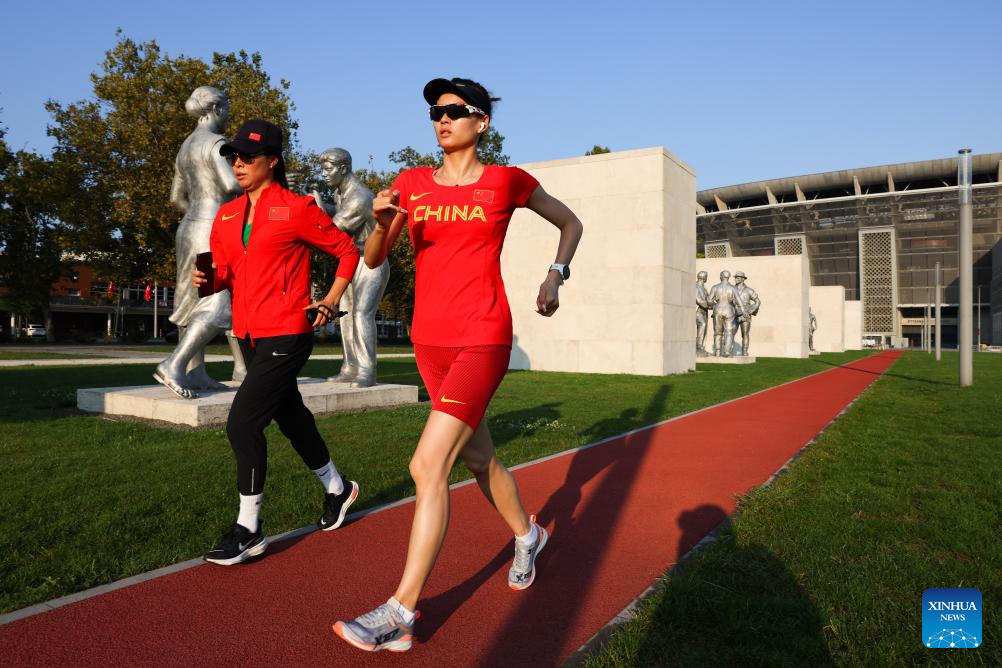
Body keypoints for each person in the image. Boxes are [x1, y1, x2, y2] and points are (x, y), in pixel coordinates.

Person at [333, 78, 584, 653]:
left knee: (427, 465)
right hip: (429, 342)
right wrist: (380, 220)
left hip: (482, 337)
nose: (441, 119)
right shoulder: (410, 184)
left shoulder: (507, 181)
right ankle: (529, 535)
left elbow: (570, 222)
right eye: (434, 112)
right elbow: (373, 257)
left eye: (453, 110)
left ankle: (400, 613)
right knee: (477, 457)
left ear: (482, 122)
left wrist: (555, 275)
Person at [192, 119, 362, 566]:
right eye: (234, 156)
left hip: (288, 331)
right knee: (291, 417)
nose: (238, 163)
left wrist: (330, 299)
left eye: (248, 157)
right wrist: (207, 281)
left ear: (272, 160)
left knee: (242, 424)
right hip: (248, 333)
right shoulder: (227, 215)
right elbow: (224, 273)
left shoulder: (297, 208)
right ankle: (338, 489)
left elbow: (348, 251)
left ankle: (248, 529)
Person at [155, 86, 246, 398]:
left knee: (191, 300)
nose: (229, 115)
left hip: (188, 228)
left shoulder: (185, 147)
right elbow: (232, 184)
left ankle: (196, 373)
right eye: (227, 108)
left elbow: (176, 198)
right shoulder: (217, 143)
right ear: (216, 109)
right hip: (212, 229)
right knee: (218, 304)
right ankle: (174, 365)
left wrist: (196, 215)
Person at [311, 148, 390, 387]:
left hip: (370, 261)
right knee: (344, 316)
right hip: (351, 259)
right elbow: (336, 211)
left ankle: (367, 370)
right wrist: (317, 202)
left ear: (343, 168)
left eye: (328, 169)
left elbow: (332, 231)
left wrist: (316, 205)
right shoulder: (341, 192)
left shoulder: (359, 196)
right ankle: (350, 366)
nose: (324, 174)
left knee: (361, 314)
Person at [707, 270, 748, 357]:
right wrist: (744, 311)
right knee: (729, 331)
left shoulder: (715, 287)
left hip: (718, 309)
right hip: (729, 310)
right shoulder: (733, 288)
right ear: (728, 277)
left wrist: (714, 305)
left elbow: (709, 301)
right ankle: (727, 352)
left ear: (721, 277)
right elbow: (739, 301)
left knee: (717, 332)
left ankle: (717, 352)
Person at [733, 270, 761, 355]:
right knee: (730, 333)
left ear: (743, 279)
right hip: (734, 313)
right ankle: (728, 351)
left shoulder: (749, 290)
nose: (736, 279)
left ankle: (744, 351)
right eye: (736, 278)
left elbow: (758, 301)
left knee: (745, 334)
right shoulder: (732, 289)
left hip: (745, 315)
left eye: (738, 278)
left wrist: (750, 311)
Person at [695, 270, 710, 354]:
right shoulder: (695, 286)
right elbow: (699, 300)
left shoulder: (704, 289)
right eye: (706, 277)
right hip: (697, 310)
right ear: (704, 278)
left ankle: (700, 346)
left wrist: (714, 305)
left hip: (704, 311)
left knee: (704, 327)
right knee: (702, 324)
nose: (706, 278)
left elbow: (708, 299)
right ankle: (699, 345)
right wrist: (709, 305)